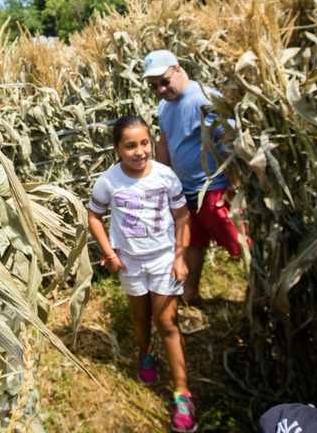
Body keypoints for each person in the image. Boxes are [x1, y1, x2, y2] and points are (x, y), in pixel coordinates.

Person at [87, 115, 197, 433]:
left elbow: (181, 216)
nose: (139, 151)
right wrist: (109, 253)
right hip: (130, 262)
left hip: (163, 259)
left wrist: (180, 257)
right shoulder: (109, 181)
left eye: (144, 143)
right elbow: (94, 216)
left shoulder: (165, 177)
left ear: (151, 142)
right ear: (117, 149)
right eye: (130, 145)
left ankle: (181, 394)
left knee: (167, 323)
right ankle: (146, 354)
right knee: (140, 316)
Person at [143, 49, 245, 304]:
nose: (161, 90)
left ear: (178, 69)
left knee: (240, 244)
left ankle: (259, 295)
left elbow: (228, 141)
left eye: (165, 82)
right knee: (193, 245)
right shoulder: (165, 107)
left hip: (214, 189)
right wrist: (159, 181)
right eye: (154, 86)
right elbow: (165, 143)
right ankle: (191, 295)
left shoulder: (205, 98)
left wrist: (234, 184)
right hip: (186, 192)